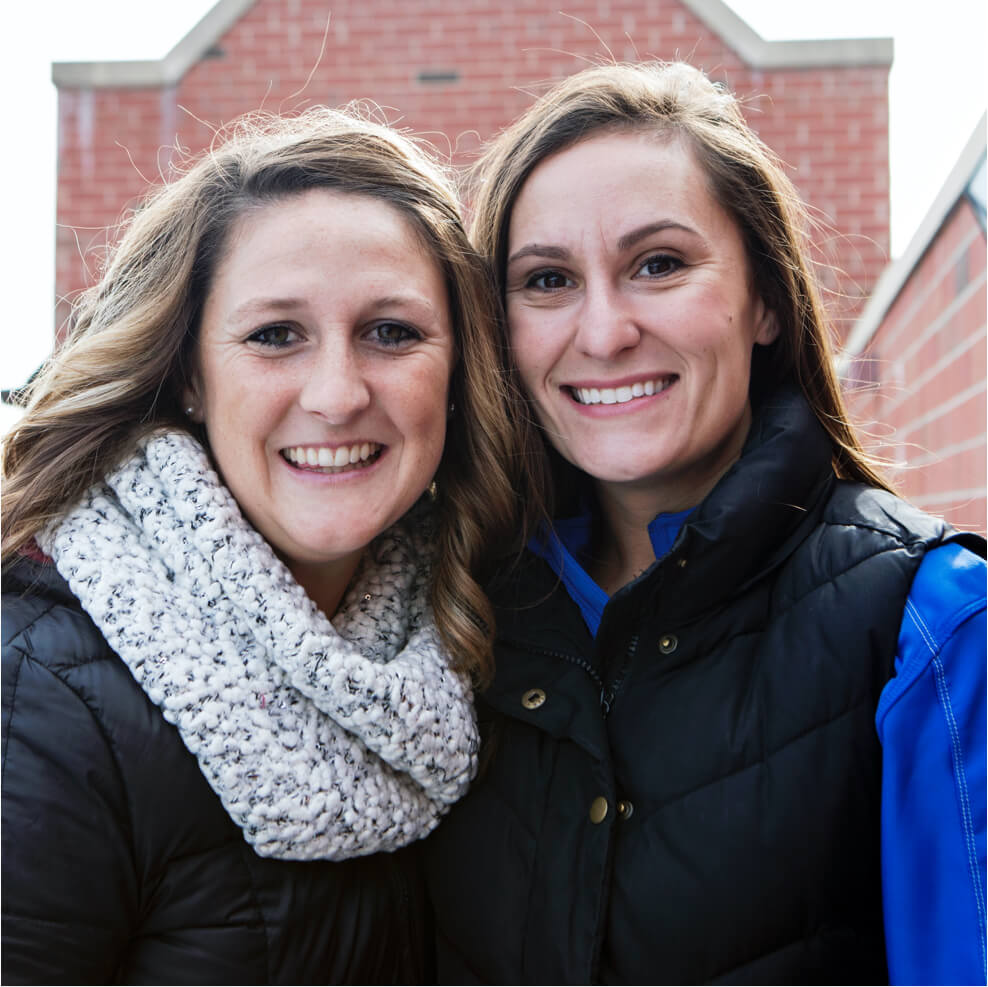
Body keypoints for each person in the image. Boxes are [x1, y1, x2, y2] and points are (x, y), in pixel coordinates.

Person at [425, 61, 987, 984]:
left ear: (765, 299)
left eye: (659, 264)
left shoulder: (934, 622)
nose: (602, 332)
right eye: (548, 279)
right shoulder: (456, 617)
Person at [1, 106, 523, 983]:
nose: (336, 392)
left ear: (461, 368)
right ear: (192, 378)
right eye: (275, 335)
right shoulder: (38, 696)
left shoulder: (480, 640)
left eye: (391, 332)